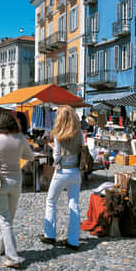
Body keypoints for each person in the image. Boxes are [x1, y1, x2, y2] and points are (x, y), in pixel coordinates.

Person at [0, 112, 34, 269]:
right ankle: (1, 246)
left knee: (4, 219)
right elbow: (30, 156)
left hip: (0, 181)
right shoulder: (20, 137)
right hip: (16, 181)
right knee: (9, 218)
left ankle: (13, 258)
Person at [39, 105, 84, 252]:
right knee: (74, 204)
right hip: (76, 171)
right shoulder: (79, 133)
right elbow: (82, 150)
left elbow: (57, 157)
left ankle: (50, 235)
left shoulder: (58, 134)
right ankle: (73, 240)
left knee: (51, 201)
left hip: (62, 171)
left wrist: (53, 150)